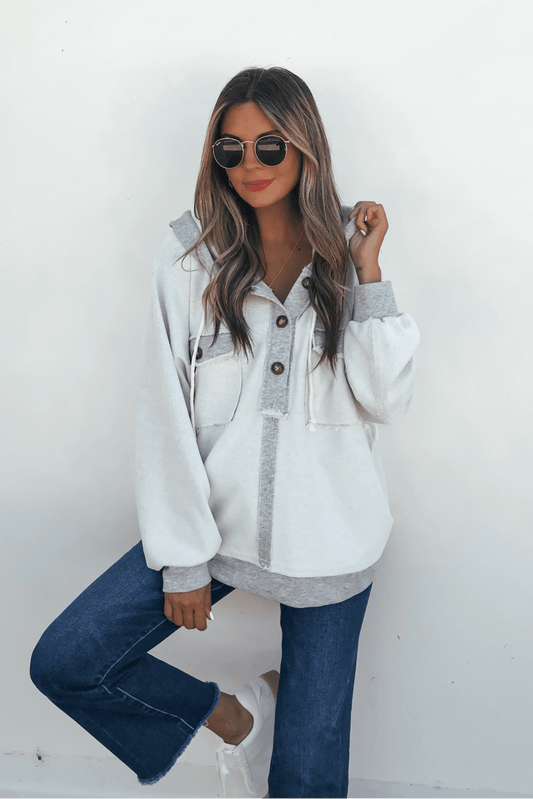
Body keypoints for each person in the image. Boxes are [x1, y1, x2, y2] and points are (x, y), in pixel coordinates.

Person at [30, 67, 420, 799]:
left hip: (332, 541)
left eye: (270, 146)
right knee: (69, 661)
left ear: (304, 147)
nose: (249, 165)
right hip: (211, 527)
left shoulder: (347, 251)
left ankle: (279, 728)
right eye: (230, 149)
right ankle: (239, 718)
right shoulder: (188, 260)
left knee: (304, 781)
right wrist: (183, 560)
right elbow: (164, 412)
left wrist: (367, 274)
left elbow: (385, 398)